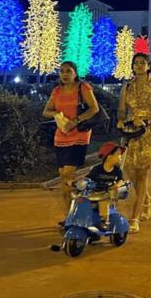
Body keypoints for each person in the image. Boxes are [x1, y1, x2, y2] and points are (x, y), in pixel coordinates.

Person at [42, 61, 100, 227]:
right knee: (64, 179)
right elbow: (45, 111)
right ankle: (70, 216)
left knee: (68, 174)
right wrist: (57, 114)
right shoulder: (57, 90)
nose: (65, 74)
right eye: (62, 71)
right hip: (60, 137)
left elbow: (94, 109)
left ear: (75, 73)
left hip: (79, 135)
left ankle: (82, 208)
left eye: (68, 71)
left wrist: (75, 121)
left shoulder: (83, 88)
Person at [118, 53, 151, 233]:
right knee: (130, 171)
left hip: (148, 130)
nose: (138, 65)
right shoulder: (127, 86)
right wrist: (121, 120)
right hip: (130, 131)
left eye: (142, 63)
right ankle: (146, 199)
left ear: (149, 66)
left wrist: (145, 121)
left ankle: (134, 218)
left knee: (143, 173)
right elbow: (122, 109)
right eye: (136, 63)